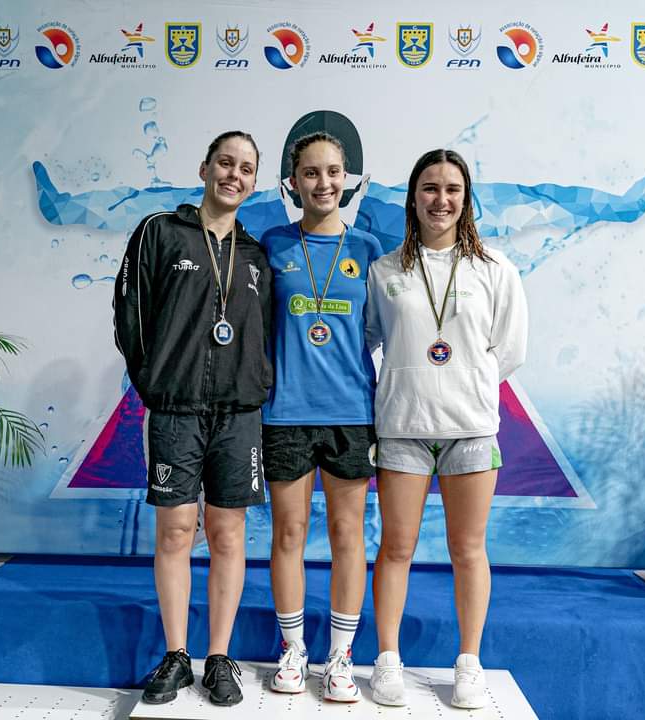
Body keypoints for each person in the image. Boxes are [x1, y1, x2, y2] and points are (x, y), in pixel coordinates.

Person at [112, 130, 272, 707]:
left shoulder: (256, 256)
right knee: (177, 531)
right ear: (205, 168)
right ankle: (177, 655)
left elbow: (263, 336)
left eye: (246, 169)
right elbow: (129, 315)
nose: (234, 175)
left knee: (228, 533)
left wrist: (254, 385)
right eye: (225, 163)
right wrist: (155, 384)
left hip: (238, 414)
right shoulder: (160, 232)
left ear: (254, 183)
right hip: (176, 410)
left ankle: (219, 657)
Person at [365, 149, 528, 709]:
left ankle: (469, 663)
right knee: (396, 547)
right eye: (430, 188)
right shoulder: (385, 272)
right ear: (413, 198)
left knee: (468, 548)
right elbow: (369, 340)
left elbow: (509, 350)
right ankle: (388, 658)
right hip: (402, 427)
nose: (441, 200)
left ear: (466, 199)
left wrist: (464, 384)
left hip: (471, 429)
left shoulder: (496, 270)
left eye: (452, 189)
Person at [260, 130, 383, 702]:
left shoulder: (367, 249)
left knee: (346, 534)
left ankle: (340, 657)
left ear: (347, 179)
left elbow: (378, 331)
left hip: (351, 413)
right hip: (285, 413)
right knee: (288, 533)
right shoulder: (273, 244)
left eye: (333, 172)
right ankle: (292, 650)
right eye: (311, 173)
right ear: (293, 182)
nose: (323, 183)